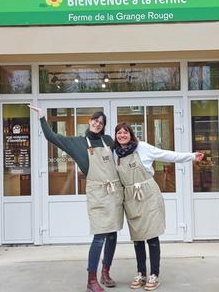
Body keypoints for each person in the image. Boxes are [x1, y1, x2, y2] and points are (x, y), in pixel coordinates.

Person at [28, 105, 123, 292]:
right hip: (97, 192)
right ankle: (91, 279)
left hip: (114, 191)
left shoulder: (109, 140)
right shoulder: (78, 142)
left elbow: (125, 153)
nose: (98, 123)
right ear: (89, 122)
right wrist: (42, 117)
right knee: (100, 236)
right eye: (95, 120)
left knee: (112, 235)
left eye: (101, 122)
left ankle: (106, 272)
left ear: (104, 127)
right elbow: (51, 137)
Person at [113, 122, 204, 291]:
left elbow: (166, 155)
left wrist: (191, 156)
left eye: (125, 132)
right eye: (119, 133)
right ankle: (141, 272)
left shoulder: (143, 148)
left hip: (149, 195)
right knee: (138, 237)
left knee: (152, 236)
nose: (122, 135)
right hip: (131, 198)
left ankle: (154, 274)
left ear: (131, 134)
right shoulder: (114, 153)